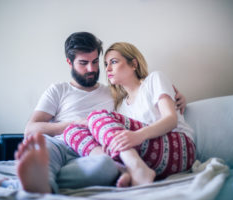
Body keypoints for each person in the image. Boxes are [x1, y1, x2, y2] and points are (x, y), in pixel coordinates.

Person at [0, 32, 187, 193]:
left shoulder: (114, 93)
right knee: (48, 149)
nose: (93, 69)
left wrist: (177, 96)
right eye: (83, 63)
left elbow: (143, 100)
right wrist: (79, 123)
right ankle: (34, 181)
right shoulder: (58, 89)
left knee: (106, 168)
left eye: (95, 62)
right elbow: (31, 129)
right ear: (69, 61)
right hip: (61, 143)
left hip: (97, 151)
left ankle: (20, 183)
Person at [63, 42, 196, 186]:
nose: (107, 69)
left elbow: (171, 119)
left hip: (180, 148)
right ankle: (122, 169)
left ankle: (136, 168)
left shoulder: (154, 79)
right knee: (71, 131)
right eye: (106, 64)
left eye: (113, 62)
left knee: (96, 116)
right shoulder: (120, 107)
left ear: (133, 64)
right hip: (147, 156)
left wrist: (138, 136)